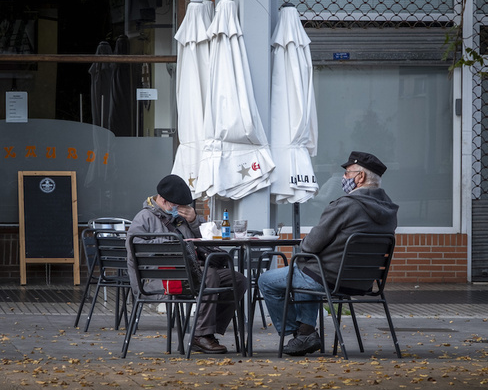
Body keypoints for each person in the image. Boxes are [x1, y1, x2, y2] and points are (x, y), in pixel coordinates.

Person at [258, 151, 399, 356]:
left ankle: (297, 334)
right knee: (305, 272)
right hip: (363, 281)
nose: (344, 178)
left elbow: (311, 245)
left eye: (348, 173)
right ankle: (306, 332)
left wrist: (306, 249)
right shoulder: (390, 211)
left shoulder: (346, 205)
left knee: (268, 280)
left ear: (361, 177)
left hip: (329, 277)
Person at [126, 174, 246, 354]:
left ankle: (209, 331)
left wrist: (194, 220)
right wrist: (174, 244)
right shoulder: (144, 218)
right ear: (164, 200)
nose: (181, 209)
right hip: (160, 279)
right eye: (178, 205)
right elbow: (137, 251)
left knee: (237, 280)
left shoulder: (182, 218)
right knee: (209, 275)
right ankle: (200, 335)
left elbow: (207, 238)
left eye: (184, 206)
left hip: (192, 273)